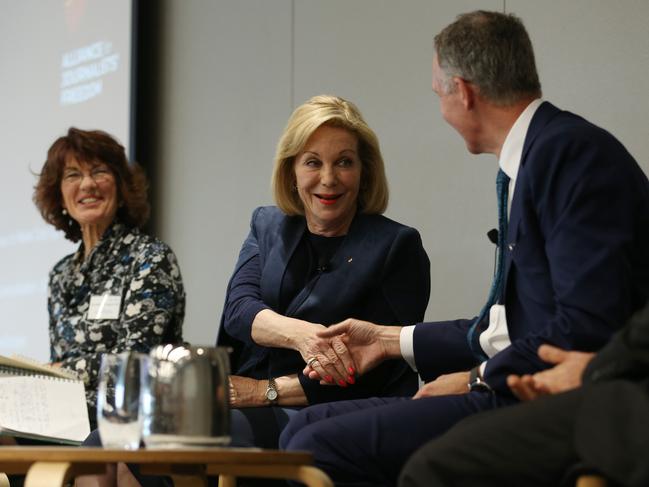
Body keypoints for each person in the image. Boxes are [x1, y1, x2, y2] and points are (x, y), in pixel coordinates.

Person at [280, 11, 649, 487]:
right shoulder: (541, 155)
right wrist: (390, 341)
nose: (440, 109)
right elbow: (508, 324)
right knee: (303, 432)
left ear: (464, 92)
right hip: (514, 379)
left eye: (438, 94)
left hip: (546, 396)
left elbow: (583, 328)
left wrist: (478, 377)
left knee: (316, 445)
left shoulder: (570, 157)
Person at [218, 94, 430, 448]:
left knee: (198, 438)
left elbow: (371, 371)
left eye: (344, 162)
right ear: (291, 172)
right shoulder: (266, 224)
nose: (328, 179)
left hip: (330, 412)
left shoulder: (397, 246)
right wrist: (303, 336)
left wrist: (264, 391)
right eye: (313, 162)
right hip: (241, 398)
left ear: (364, 173)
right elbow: (238, 310)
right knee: (112, 442)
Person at [399, 299, 649, 487]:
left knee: (434, 468)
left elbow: (574, 327)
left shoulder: (392, 242)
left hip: (623, 397)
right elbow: (501, 326)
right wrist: (393, 339)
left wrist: (476, 378)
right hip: (599, 381)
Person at [33, 127, 185, 425]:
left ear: (121, 188)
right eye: (73, 175)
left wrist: (59, 369)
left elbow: (133, 363)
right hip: (65, 410)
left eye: (99, 172)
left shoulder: (149, 258)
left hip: (129, 411)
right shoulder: (60, 275)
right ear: (60, 196)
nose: (87, 184)